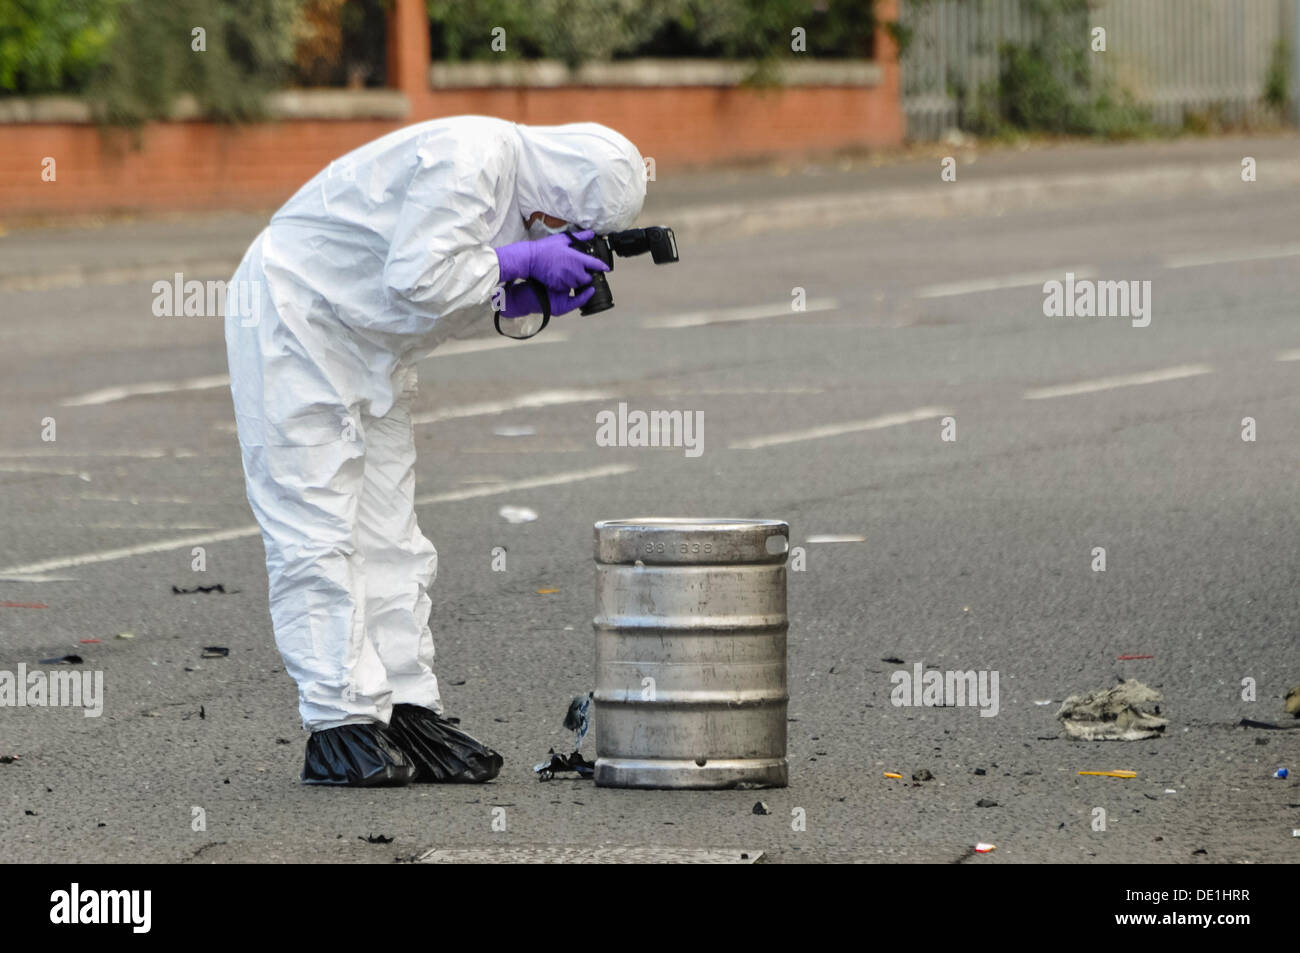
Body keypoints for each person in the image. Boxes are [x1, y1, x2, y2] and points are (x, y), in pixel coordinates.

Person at [223, 116, 648, 785]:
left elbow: (441, 294)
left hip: (370, 342)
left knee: (391, 533)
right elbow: (419, 278)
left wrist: (518, 290)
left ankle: (404, 706)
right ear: (553, 193)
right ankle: (338, 721)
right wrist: (516, 264)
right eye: (556, 225)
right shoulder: (471, 158)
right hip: (292, 315)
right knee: (316, 522)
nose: (547, 233)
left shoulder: (519, 192)